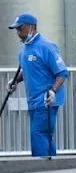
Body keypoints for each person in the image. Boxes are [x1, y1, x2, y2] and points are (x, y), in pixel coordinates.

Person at [7, 13, 68, 159]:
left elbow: (62, 73)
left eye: (20, 28)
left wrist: (53, 91)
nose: (18, 32)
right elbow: (27, 70)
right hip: (33, 100)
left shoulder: (46, 46)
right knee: (45, 135)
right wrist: (15, 81)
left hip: (46, 100)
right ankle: (52, 167)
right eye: (16, 29)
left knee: (39, 134)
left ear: (31, 27)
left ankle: (40, 168)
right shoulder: (24, 49)